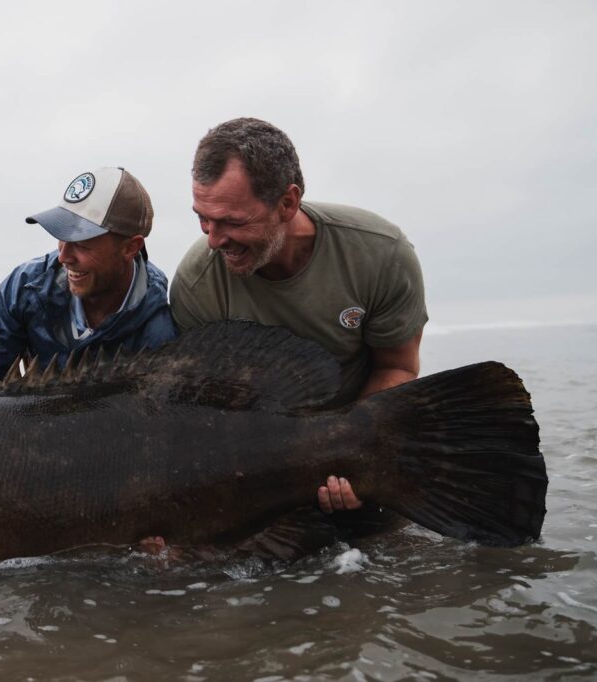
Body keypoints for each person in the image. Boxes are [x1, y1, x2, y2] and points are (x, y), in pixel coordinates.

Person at [170, 118, 428, 514]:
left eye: (233, 222)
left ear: (288, 203)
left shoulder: (381, 253)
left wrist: (357, 461)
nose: (214, 239)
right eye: (203, 217)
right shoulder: (195, 283)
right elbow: (204, 415)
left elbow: (397, 367)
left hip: (358, 442)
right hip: (255, 461)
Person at [0, 167, 176, 398]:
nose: (64, 257)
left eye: (82, 243)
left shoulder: (160, 323)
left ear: (130, 248)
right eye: (61, 236)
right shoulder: (25, 287)